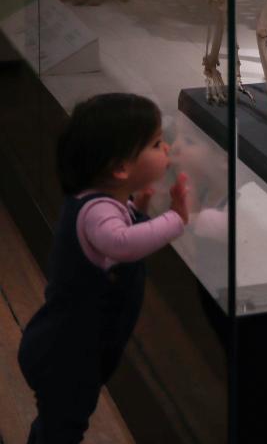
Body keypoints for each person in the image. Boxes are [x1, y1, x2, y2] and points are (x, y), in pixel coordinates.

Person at [18, 92, 190, 444]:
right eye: (157, 144)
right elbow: (122, 245)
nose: (167, 151)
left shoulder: (105, 202)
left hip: (74, 347)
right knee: (63, 428)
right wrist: (176, 220)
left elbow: (116, 243)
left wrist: (139, 212)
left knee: (60, 422)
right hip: (65, 354)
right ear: (121, 168)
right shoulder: (97, 211)